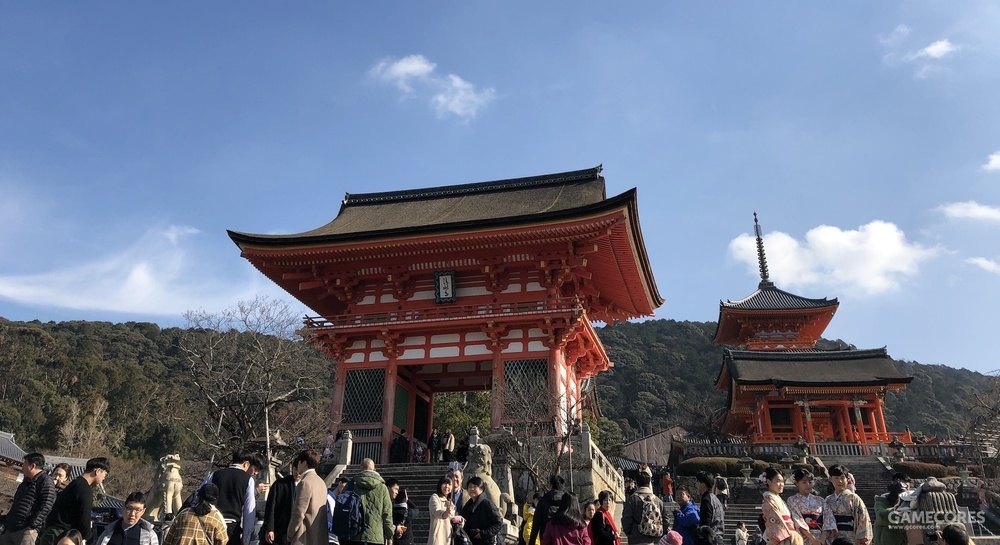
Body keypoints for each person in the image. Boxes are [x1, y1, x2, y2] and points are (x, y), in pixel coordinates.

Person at [39, 457, 110, 545]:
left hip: (51, 532)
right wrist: (89, 537)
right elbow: (84, 518)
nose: (103, 479)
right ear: (97, 471)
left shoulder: (75, 483)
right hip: (61, 536)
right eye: (105, 474)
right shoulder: (85, 489)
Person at [207, 450, 264, 545]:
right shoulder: (247, 479)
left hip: (211, 523)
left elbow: (198, 495)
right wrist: (246, 538)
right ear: (246, 464)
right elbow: (249, 510)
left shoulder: (214, 474)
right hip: (231, 527)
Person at [1, 452, 57, 545]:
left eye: (24, 464)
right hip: (12, 526)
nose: (22, 467)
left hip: (26, 529)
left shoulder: (45, 481)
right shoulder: (26, 482)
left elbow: (46, 505)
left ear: (32, 466)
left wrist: (33, 525)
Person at [344, 458, 393, 545]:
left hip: (353, 536)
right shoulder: (382, 488)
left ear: (360, 468)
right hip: (375, 537)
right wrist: (389, 536)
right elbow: (387, 514)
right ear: (374, 469)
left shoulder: (351, 485)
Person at [163, 483, 228, 545]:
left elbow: (169, 540)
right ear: (215, 500)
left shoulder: (183, 514)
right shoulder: (216, 519)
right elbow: (223, 541)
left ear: (198, 497)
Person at [822, 465, 871, 545]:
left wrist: (863, 538)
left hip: (851, 536)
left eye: (842, 478)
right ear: (830, 479)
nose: (840, 481)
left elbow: (863, 518)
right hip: (833, 536)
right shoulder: (828, 500)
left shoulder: (853, 498)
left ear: (847, 479)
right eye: (836, 478)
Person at [288, 450, 328, 545]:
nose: (297, 466)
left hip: (304, 536)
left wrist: (290, 533)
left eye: (299, 462)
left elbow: (299, 512)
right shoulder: (321, 482)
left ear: (304, 463)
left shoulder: (305, 482)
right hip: (319, 535)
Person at [761, 468, 809, 545]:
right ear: (769, 482)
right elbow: (775, 520)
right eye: (778, 481)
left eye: (782, 482)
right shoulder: (769, 499)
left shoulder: (780, 500)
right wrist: (789, 534)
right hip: (782, 537)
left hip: (790, 535)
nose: (781, 484)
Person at [94, 492, 158, 545]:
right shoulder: (109, 531)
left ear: (143, 511)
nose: (132, 514)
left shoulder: (149, 535)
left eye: (138, 510)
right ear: (124, 508)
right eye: (129, 508)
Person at [621, 471, 665, 545]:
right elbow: (666, 520)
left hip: (636, 539)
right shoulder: (658, 501)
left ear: (636, 483)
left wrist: (630, 533)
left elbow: (626, 519)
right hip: (654, 540)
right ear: (649, 482)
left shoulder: (633, 499)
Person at [262, 464, 299, 545]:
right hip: (280, 528)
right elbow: (271, 506)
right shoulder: (280, 484)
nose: (297, 473)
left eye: (299, 470)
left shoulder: (305, 485)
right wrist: (270, 528)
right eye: (295, 469)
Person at [786, 469, 823, 545]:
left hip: (821, 536)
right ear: (797, 483)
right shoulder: (792, 500)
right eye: (804, 482)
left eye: (810, 482)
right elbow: (797, 520)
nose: (808, 485)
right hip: (804, 536)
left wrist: (823, 539)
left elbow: (828, 519)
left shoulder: (820, 500)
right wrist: (812, 539)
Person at [460, 477, 502, 545]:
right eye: (470, 487)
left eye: (475, 487)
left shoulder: (487, 504)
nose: (472, 489)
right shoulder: (468, 506)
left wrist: (482, 534)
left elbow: (498, 523)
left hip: (489, 542)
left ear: (481, 489)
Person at [529, 475, 567, 545]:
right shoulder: (567, 501)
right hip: (563, 538)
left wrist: (531, 542)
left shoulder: (543, 500)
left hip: (546, 538)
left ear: (551, 485)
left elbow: (536, 524)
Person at [428, 476, 459, 545]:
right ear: (440, 485)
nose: (447, 486)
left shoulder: (451, 502)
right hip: (438, 538)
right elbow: (437, 512)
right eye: (444, 483)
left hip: (449, 538)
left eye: (449, 484)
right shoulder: (435, 497)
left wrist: (460, 520)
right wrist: (446, 513)